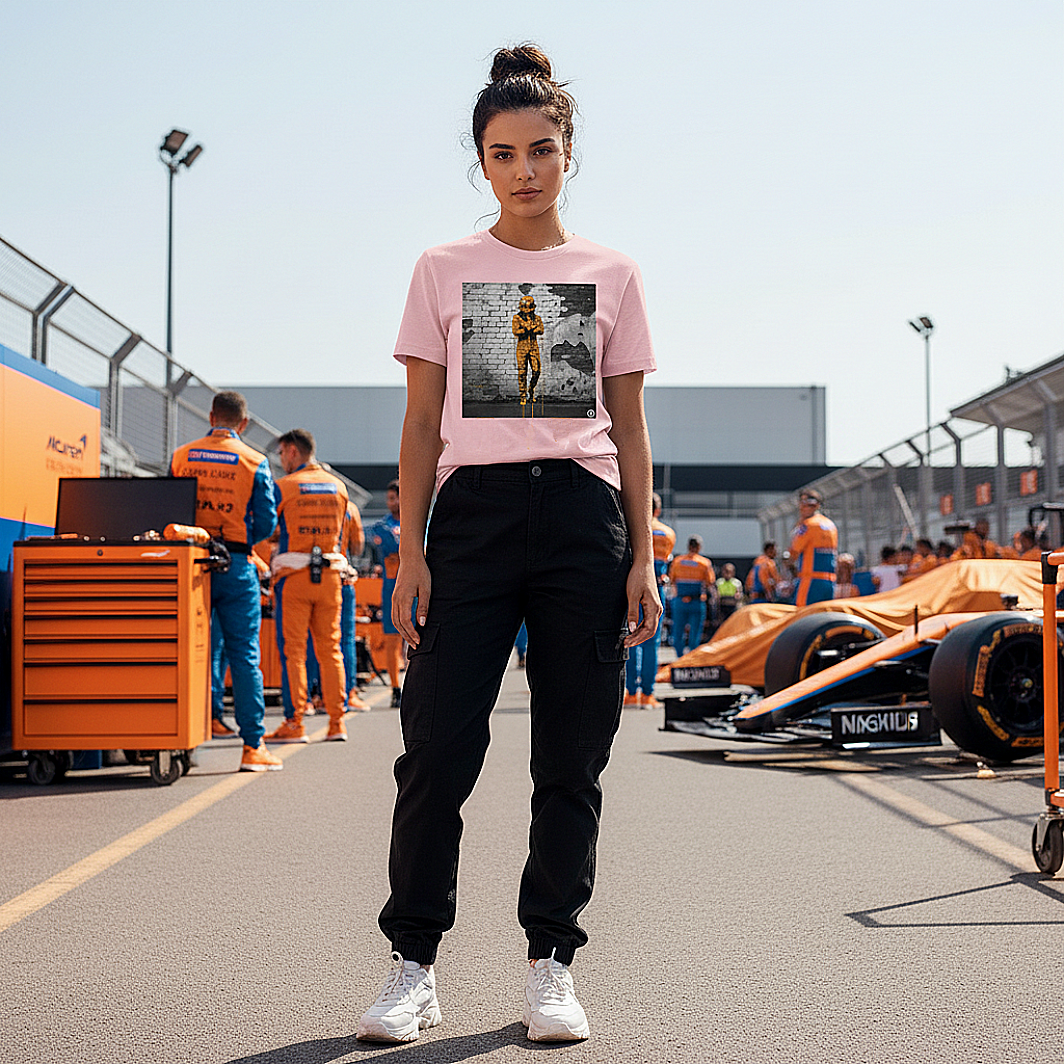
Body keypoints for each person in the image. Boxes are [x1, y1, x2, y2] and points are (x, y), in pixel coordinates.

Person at [356, 44, 660, 1046]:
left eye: (541, 150)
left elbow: (629, 428)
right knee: (436, 751)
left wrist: (642, 556)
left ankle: (551, 963)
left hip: (583, 518)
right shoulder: (441, 268)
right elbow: (419, 423)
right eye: (502, 154)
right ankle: (413, 965)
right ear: (480, 162)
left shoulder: (612, 271)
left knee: (570, 757)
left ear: (568, 150)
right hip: (473, 522)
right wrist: (410, 552)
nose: (524, 170)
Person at [169, 391, 282, 772]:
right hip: (234, 563)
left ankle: (188, 731)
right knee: (244, 655)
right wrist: (242, 540)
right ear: (243, 423)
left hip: (190, 562)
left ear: (211, 416)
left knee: (186, 649)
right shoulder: (254, 460)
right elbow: (267, 522)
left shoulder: (182, 455)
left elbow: (169, 506)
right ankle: (252, 747)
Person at [265, 429, 351, 744]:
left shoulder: (285, 486)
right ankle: (337, 722)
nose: (281, 460)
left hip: (295, 578)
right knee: (331, 650)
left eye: (281, 454)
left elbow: (266, 527)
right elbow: (343, 534)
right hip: (330, 578)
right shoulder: (339, 487)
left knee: (295, 653)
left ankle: (295, 723)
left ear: (292, 451)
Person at [624, 492, 673, 708]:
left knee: (631, 636)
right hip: (656, 590)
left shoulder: (630, 528)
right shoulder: (667, 534)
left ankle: (630, 693)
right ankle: (647, 694)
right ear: (658, 510)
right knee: (651, 641)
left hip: (633, 587)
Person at [369, 480, 405, 708]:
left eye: (395, 498)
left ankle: (417, 687)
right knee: (392, 640)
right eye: (389, 499)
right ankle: (395, 688)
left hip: (416, 590)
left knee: (418, 640)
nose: (392, 503)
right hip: (391, 590)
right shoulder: (381, 527)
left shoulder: (421, 523)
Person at [788, 490, 837, 606]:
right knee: (824, 614)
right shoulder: (831, 525)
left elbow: (795, 549)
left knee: (802, 613)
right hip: (829, 581)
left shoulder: (808, 525)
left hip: (810, 580)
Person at [667, 536, 715, 657]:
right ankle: (691, 659)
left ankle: (680, 658)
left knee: (678, 631)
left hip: (680, 601)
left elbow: (672, 580)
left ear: (688, 546)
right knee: (695, 632)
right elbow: (710, 582)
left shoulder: (677, 561)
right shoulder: (704, 563)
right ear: (699, 547)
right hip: (696, 602)